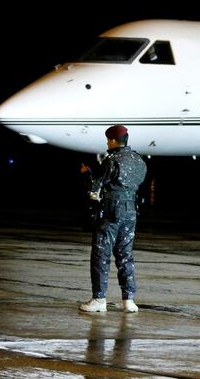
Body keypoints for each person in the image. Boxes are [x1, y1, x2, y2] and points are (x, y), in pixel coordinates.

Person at [78, 125, 147, 313]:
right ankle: (129, 300)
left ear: (112, 141)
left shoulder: (111, 160)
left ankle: (99, 299)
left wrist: (86, 174)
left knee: (101, 254)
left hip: (110, 211)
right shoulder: (139, 160)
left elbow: (94, 188)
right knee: (125, 255)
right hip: (131, 211)